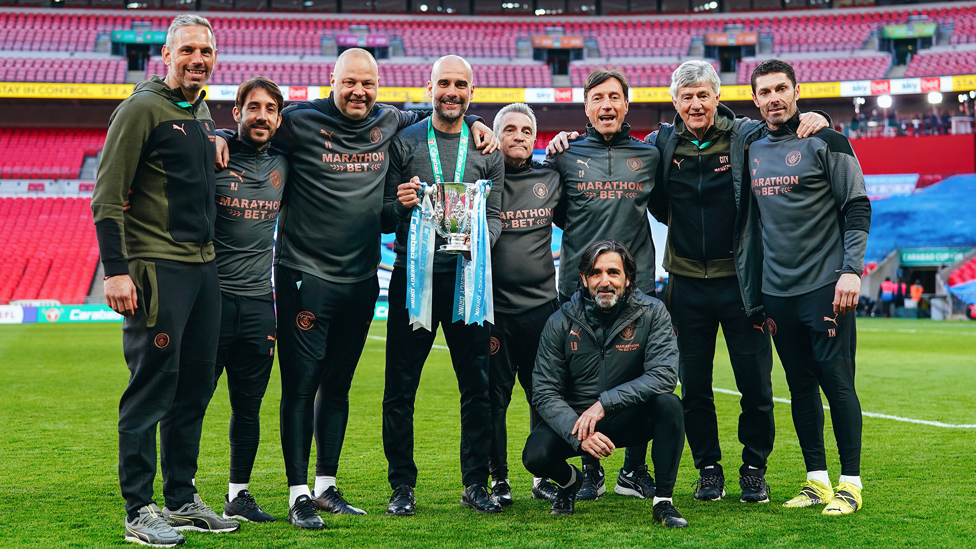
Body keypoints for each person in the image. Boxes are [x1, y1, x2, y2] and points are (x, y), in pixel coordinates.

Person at [223, 48, 497, 529]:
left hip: (361, 280)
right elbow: (254, 126)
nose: (358, 91)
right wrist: (217, 135)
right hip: (305, 276)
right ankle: (298, 492)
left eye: (367, 83)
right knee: (302, 387)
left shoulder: (390, 122)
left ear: (379, 87)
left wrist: (476, 120)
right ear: (333, 79)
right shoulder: (299, 121)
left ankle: (326, 485)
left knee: (339, 386)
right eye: (350, 81)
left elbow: (440, 112)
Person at [643, 60, 827, 503]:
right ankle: (708, 468)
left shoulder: (746, 135)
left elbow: (785, 121)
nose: (695, 104)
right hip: (685, 285)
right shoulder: (662, 142)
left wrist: (819, 119)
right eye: (686, 97)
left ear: (717, 96)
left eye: (703, 95)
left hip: (742, 284)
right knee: (694, 385)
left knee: (756, 384)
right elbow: (631, 168)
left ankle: (753, 467)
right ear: (674, 102)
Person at [92, 14, 239, 547]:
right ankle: (139, 509)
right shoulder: (139, 110)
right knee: (151, 388)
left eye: (206, 51)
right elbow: (106, 197)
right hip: (157, 267)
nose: (198, 59)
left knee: (195, 388)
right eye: (188, 51)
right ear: (167, 55)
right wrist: (116, 271)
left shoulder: (198, 110)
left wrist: (217, 133)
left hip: (205, 269)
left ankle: (180, 498)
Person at [383, 55, 505, 516]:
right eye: (444, 84)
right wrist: (399, 204)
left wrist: (476, 242)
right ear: (429, 87)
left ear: (471, 92)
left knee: (476, 386)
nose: (452, 92)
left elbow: (494, 216)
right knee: (400, 387)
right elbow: (383, 214)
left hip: (467, 281)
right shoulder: (405, 142)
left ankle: (475, 483)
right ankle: (402, 486)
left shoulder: (487, 149)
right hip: (414, 277)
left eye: (461, 85)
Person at [749, 58, 871, 515]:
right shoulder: (753, 147)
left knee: (837, 383)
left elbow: (857, 206)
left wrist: (852, 269)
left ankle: (851, 483)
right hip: (777, 292)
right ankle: (816, 480)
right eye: (765, 92)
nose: (774, 98)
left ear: (797, 91)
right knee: (799, 387)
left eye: (781, 89)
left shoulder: (828, 139)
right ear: (756, 100)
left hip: (826, 285)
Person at [542, 67, 660, 503]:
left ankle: (634, 469)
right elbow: (550, 213)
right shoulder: (564, 155)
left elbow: (667, 204)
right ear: (585, 107)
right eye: (598, 99)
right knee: (582, 381)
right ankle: (590, 469)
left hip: (638, 289)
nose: (607, 105)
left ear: (626, 104)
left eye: (614, 98)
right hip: (580, 291)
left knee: (641, 375)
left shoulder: (649, 155)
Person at [522, 239, 687, 527]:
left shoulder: (653, 312)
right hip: (576, 421)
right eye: (596, 273)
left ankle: (663, 502)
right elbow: (544, 390)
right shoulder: (560, 321)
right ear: (584, 279)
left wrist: (604, 405)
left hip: (628, 417)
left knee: (669, 405)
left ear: (628, 278)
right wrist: (579, 434)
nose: (605, 281)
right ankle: (570, 482)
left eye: (613, 272)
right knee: (535, 456)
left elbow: (663, 375)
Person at [211, 77, 288, 523]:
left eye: (270, 109)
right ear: (236, 111)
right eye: (252, 107)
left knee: (249, 406)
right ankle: (184, 491)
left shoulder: (285, 160)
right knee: (192, 401)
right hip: (212, 301)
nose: (261, 116)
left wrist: (472, 118)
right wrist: (216, 136)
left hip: (261, 303)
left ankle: (238, 493)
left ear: (279, 118)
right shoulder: (213, 155)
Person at [487, 103, 562, 505]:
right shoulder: (482, 180)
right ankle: (499, 478)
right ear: (495, 136)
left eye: (526, 130)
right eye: (510, 129)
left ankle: (543, 474)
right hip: (494, 313)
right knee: (494, 401)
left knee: (543, 397)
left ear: (536, 138)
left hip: (541, 311)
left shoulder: (551, 177)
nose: (519, 135)